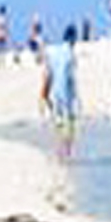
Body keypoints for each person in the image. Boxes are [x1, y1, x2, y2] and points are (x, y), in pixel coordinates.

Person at [42, 23, 79, 160]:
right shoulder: (70, 54)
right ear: (73, 38)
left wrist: (44, 93)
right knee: (70, 122)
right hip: (66, 94)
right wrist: (75, 98)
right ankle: (67, 152)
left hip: (53, 92)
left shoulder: (53, 51)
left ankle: (58, 152)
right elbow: (70, 78)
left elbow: (48, 72)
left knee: (58, 122)